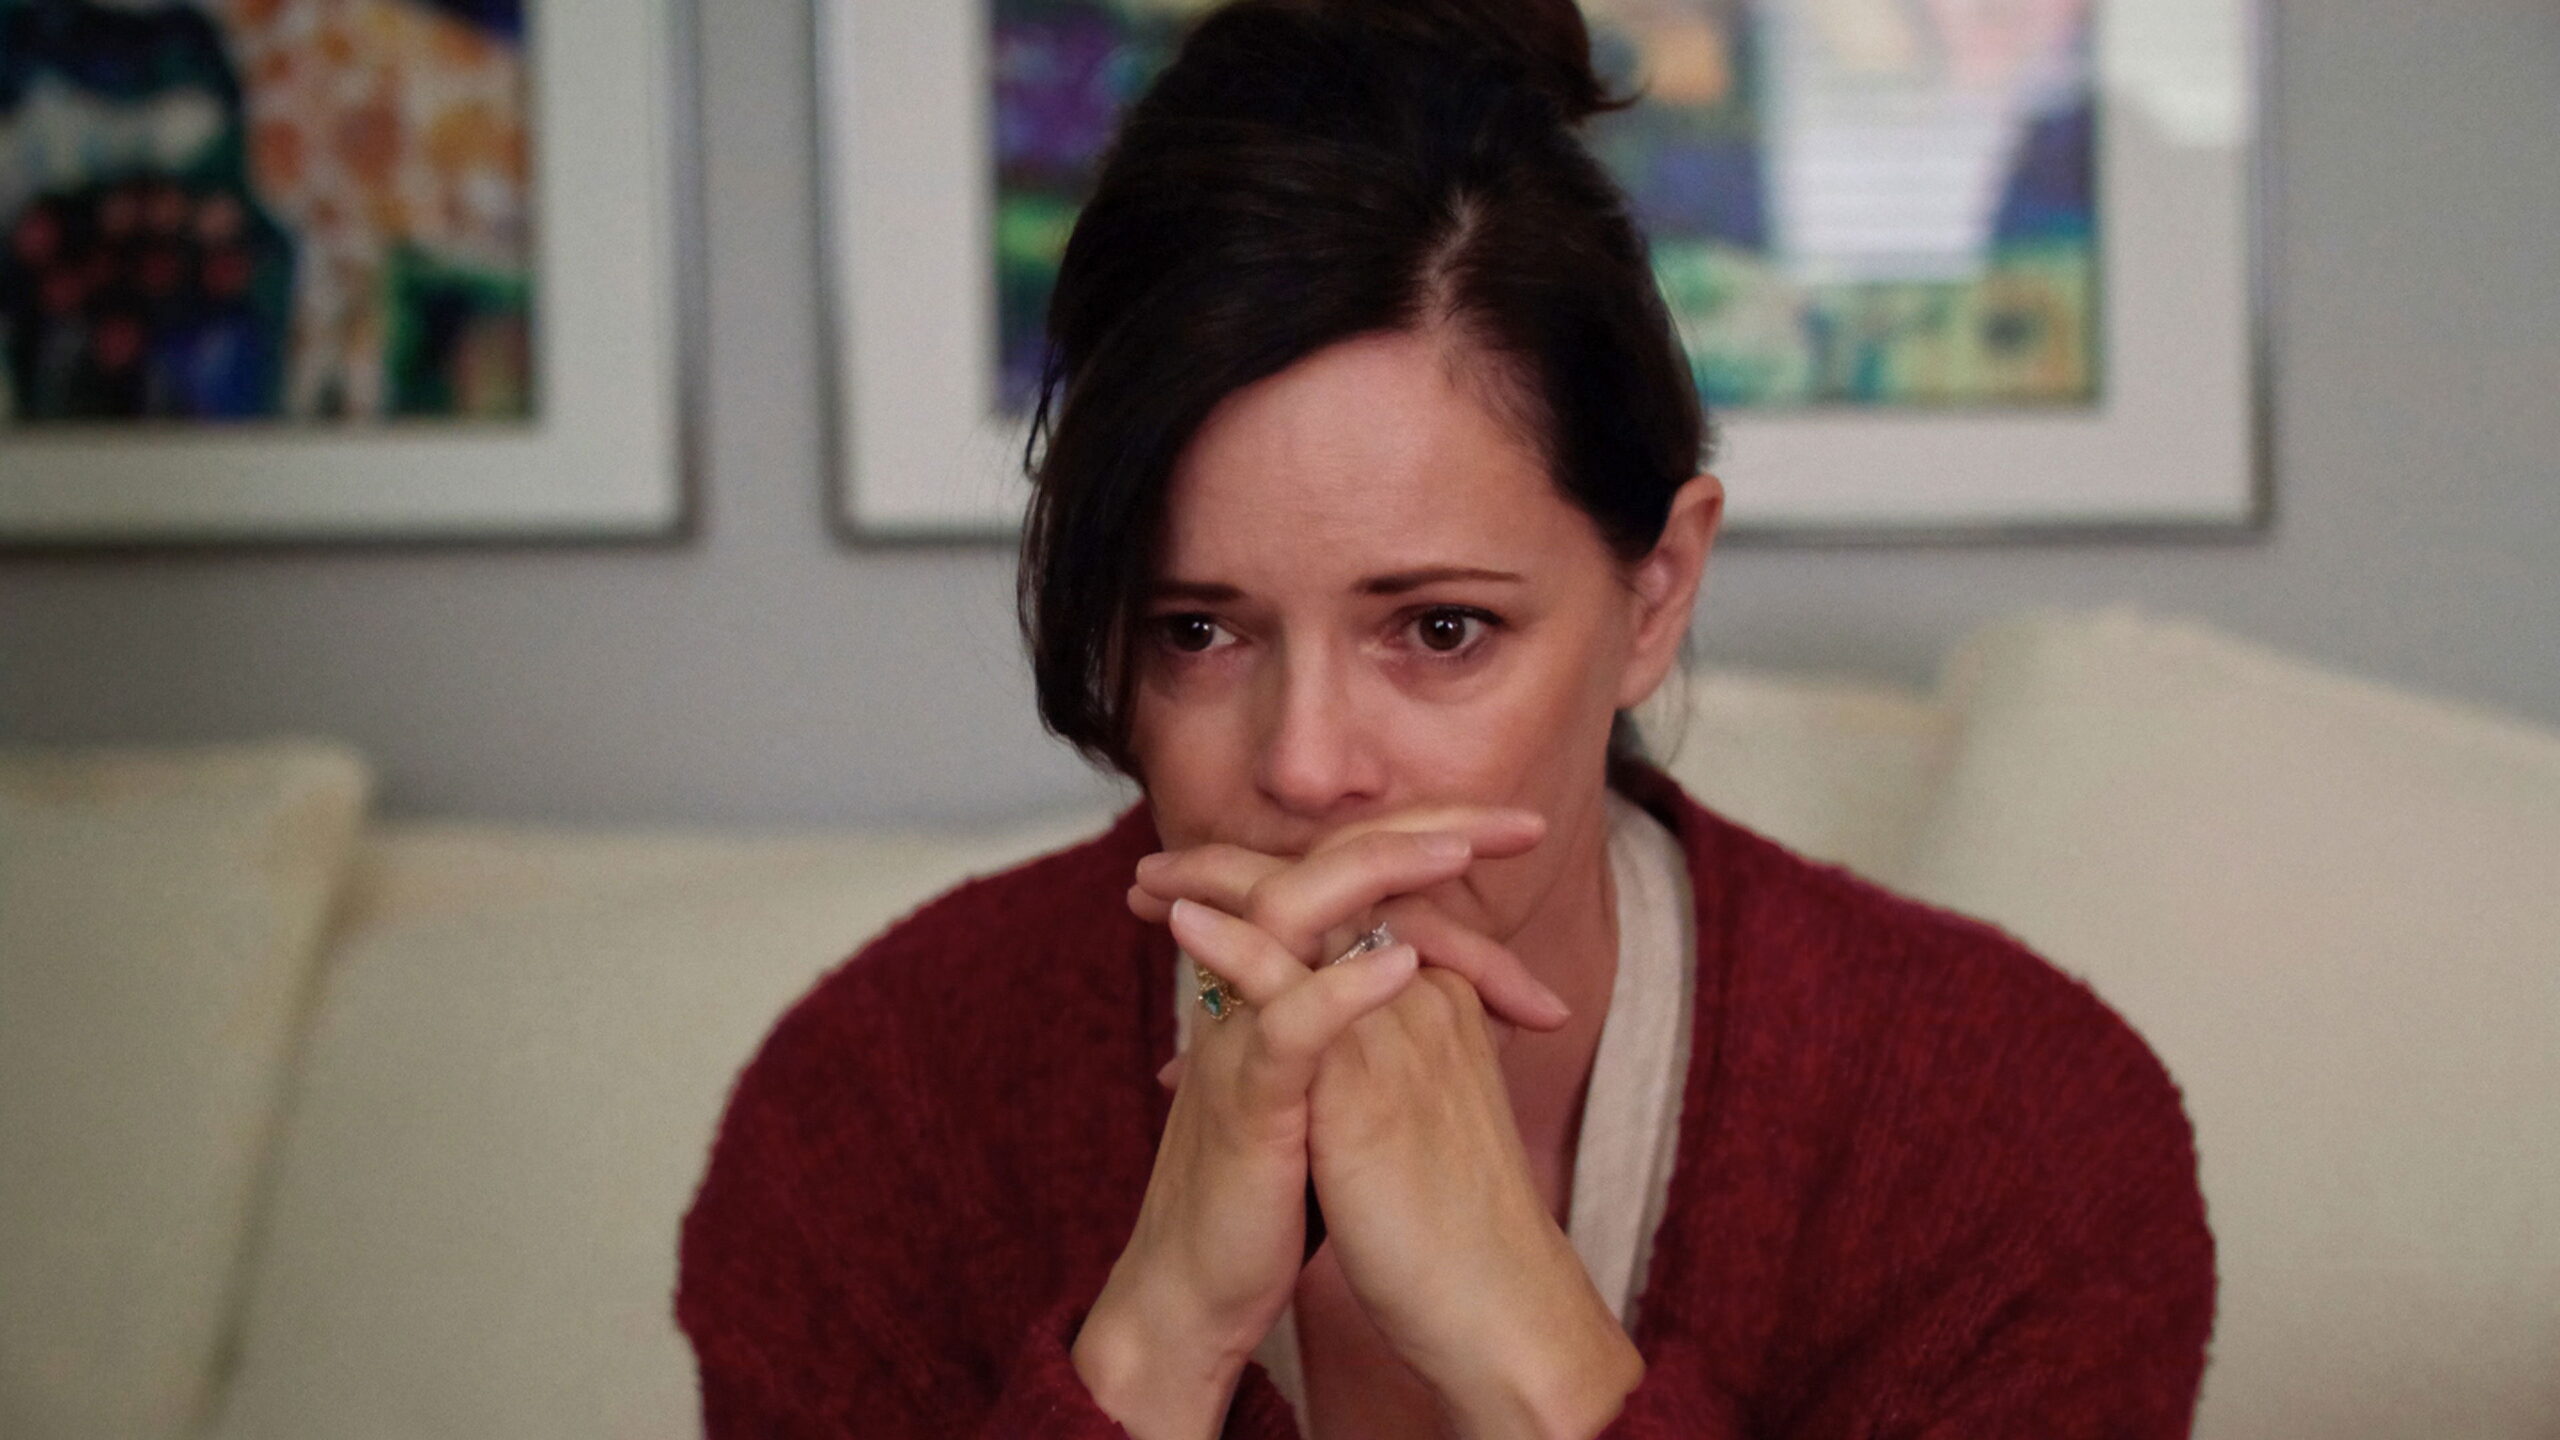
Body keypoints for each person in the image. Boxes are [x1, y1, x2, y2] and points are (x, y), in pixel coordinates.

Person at [674, 0, 2215, 1435]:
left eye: (1440, 630)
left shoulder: (2025, 1143)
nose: (1306, 767)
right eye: (1198, 630)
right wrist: (1155, 1340)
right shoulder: (875, 1113)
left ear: (1657, 593)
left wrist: (1526, 1339)